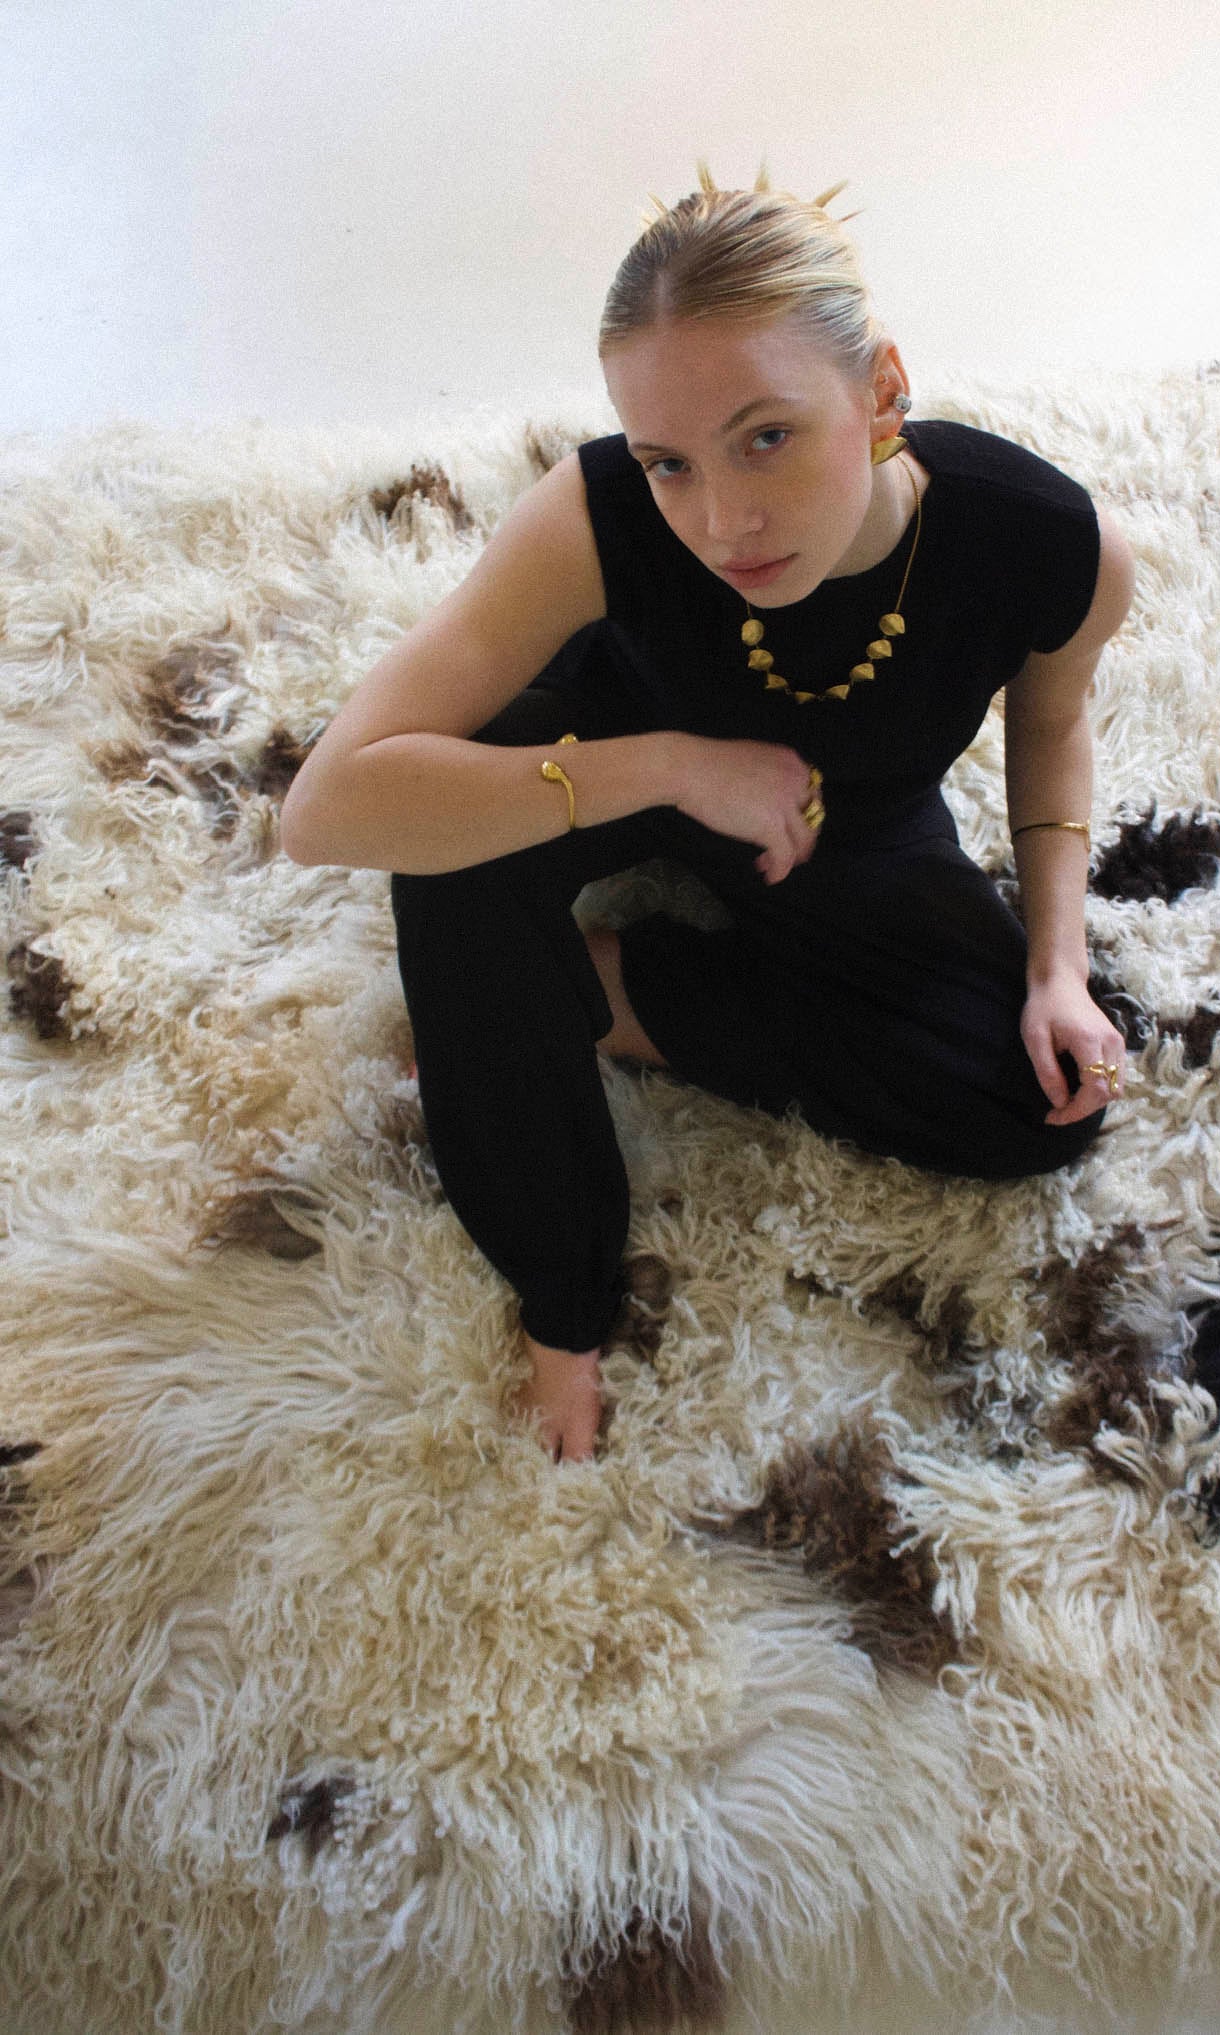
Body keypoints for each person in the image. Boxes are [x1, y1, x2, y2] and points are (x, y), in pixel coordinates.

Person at [279, 162, 1137, 1466]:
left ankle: (593, 988)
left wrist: (1057, 968)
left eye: (766, 436)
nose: (723, 519)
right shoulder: (595, 519)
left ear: (883, 393)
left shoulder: (1045, 541)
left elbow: (1054, 724)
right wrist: (673, 766)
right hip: (623, 740)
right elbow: (326, 809)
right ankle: (561, 1281)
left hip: (846, 813)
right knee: (447, 841)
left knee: (1030, 1099)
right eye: (669, 461)